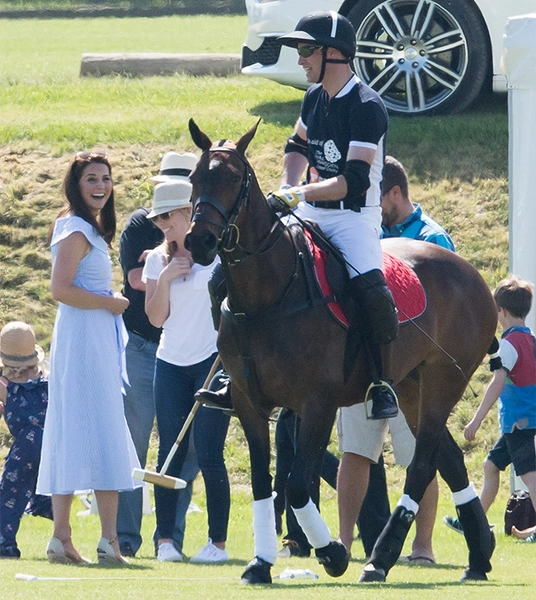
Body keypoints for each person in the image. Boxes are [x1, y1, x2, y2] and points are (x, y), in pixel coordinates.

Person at [197, 11, 399, 421]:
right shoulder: (312, 97)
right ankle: (236, 375)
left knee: (373, 293)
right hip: (308, 207)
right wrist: (290, 187)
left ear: (334, 54)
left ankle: (380, 382)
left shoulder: (367, 107)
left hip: (353, 216)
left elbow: (354, 180)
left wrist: (299, 192)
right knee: (223, 279)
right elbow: (296, 145)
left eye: (307, 51)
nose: (301, 59)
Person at [337, 156, 456, 563]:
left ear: (395, 193)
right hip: (365, 365)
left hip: (414, 370)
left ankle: (422, 548)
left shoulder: (433, 240)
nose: (373, 206)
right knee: (354, 452)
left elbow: (446, 311)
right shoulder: (364, 232)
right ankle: (344, 544)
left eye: (377, 198)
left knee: (419, 457)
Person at [36, 151, 141, 565]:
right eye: (91, 179)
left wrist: (106, 304)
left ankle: (90, 539)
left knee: (96, 427)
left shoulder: (90, 228)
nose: (100, 186)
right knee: (86, 426)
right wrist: (109, 302)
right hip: (82, 339)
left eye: (105, 179)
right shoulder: (76, 227)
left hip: (94, 337)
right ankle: (90, 540)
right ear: (76, 186)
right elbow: (60, 289)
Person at [143, 180, 231, 563]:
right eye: (159, 218)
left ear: (188, 213)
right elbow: (155, 317)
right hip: (171, 364)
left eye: (169, 216)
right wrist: (164, 279)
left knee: (210, 453)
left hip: (211, 363)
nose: (163, 224)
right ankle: (166, 542)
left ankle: (217, 544)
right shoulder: (155, 260)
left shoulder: (219, 257)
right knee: (169, 454)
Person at [117, 151, 199, 558]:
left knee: (185, 449)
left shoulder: (208, 235)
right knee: (133, 444)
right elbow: (134, 279)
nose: (162, 218)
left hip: (188, 352)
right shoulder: (139, 224)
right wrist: (163, 258)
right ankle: (126, 539)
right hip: (142, 344)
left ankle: (170, 538)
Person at [445, 275, 536, 543]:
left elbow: (497, 383)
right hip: (520, 421)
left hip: (518, 423)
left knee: (530, 477)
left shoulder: (508, 345)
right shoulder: (531, 340)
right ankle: (474, 523)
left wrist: (475, 420)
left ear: (501, 311)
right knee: (490, 465)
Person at [0, 322, 52, 559]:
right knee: (53, 492)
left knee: (10, 495)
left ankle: (5, 545)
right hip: (52, 447)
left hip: (25, 450)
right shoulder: (49, 381)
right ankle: (46, 508)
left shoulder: (4, 386)